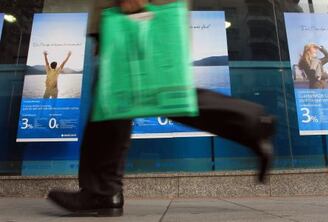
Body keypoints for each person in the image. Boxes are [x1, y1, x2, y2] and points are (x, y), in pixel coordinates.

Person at [47, 0, 276, 217]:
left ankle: (102, 191)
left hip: (138, 9)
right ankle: (103, 190)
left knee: (128, 96)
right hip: (137, 10)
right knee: (126, 97)